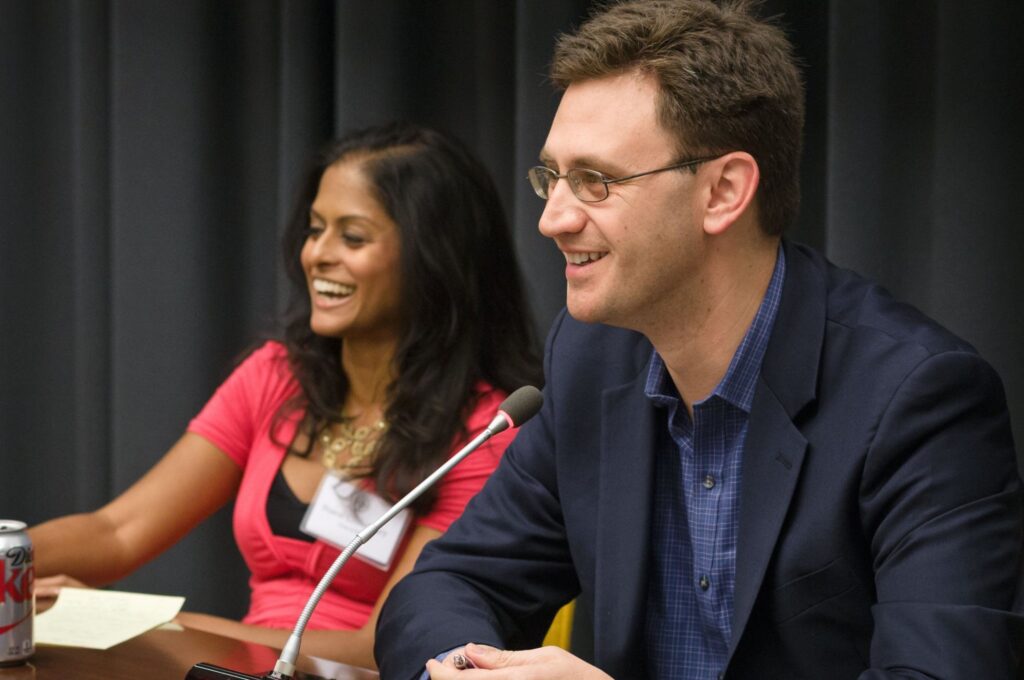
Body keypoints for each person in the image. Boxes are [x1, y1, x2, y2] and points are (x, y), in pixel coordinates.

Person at [374, 2, 1024, 679]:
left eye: (595, 181)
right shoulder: (593, 360)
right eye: (551, 177)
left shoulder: (918, 398)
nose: (553, 218)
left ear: (723, 191)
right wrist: (463, 672)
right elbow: (449, 586)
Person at [28, 121, 542, 670]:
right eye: (315, 229)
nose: (316, 254)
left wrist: (160, 625)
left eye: (352, 236)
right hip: (238, 667)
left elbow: (382, 644)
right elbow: (119, 531)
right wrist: (14, 565)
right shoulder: (278, 376)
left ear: (432, 256)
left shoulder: (485, 431)